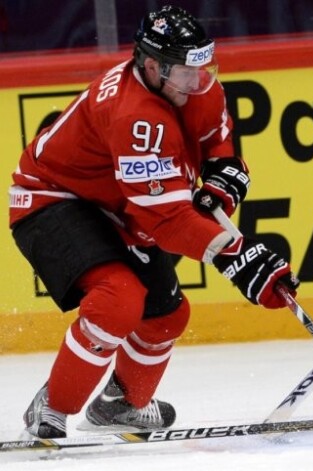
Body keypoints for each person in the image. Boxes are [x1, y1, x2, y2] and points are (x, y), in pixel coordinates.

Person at [9, 5, 298, 439]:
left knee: (166, 315)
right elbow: (165, 221)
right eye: (187, 71)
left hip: (117, 203)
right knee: (119, 299)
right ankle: (53, 405)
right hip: (53, 197)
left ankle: (120, 403)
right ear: (151, 65)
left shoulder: (196, 87)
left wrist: (222, 180)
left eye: (205, 66)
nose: (200, 80)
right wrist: (236, 255)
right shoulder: (133, 116)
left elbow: (216, 146)